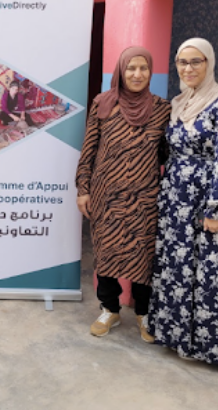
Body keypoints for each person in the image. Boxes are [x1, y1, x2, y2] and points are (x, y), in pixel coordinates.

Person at [148, 38, 218, 365]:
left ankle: (210, 347)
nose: (188, 69)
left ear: (209, 64)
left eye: (196, 61)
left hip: (209, 199)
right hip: (177, 201)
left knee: (210, 270)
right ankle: (175, 335)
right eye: (182, 62)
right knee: (178, 267)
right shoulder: (178, 102)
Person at [75, 46, 171, 341]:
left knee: (143, 255)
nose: (137, 74)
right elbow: (89, 148)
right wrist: (83, 188)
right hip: (106, 195)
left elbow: (167, 154)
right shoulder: (103, 103)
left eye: (143, 68)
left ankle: (144, 313)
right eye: (131, 68)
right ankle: (110, 310)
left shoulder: (162, 109)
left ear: (150, 72)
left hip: (145, 198)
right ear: (121, 71)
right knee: (105, 253)